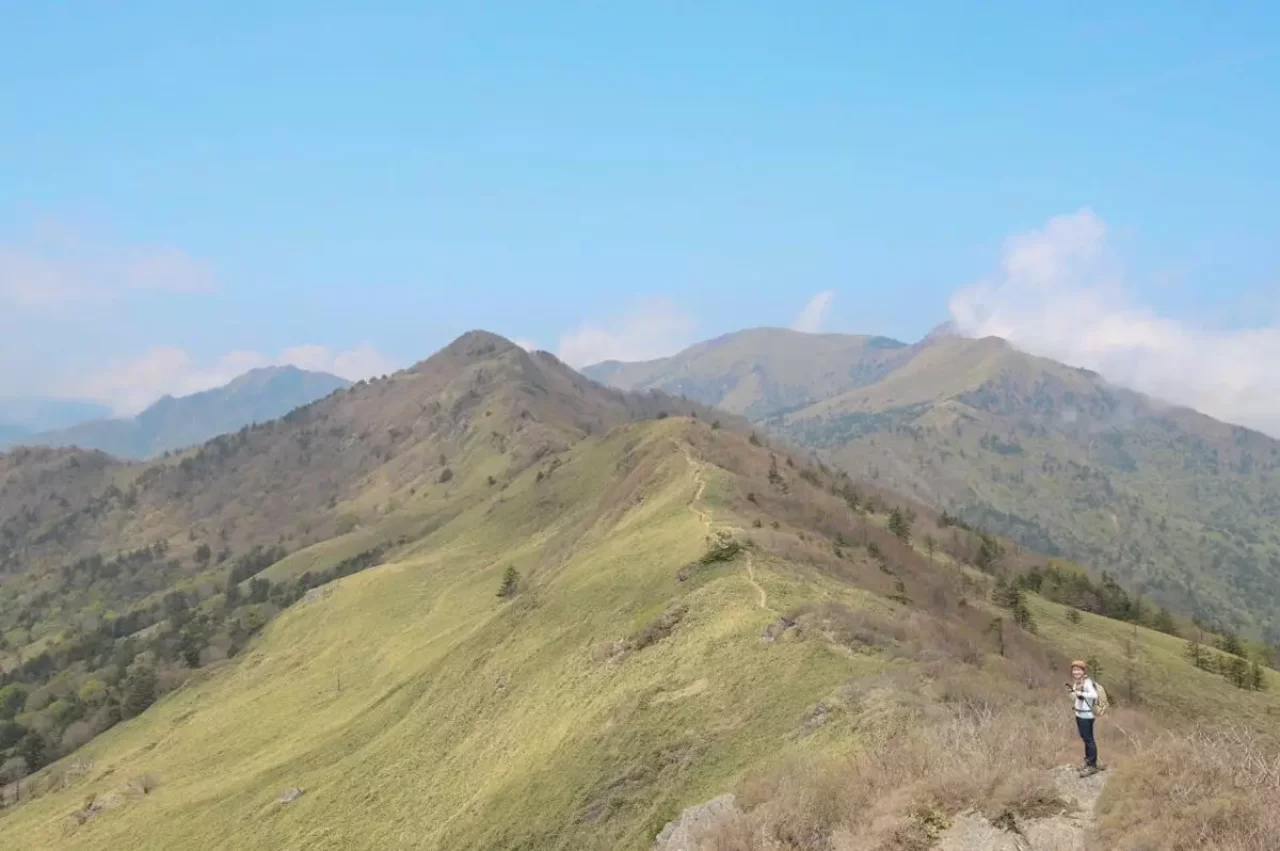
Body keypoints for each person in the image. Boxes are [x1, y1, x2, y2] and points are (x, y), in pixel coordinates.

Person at [1068, 659, 1100, 776]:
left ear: (1083, 671)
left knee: (1089, 739)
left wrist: (1081, 694)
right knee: (1086, 739)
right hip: (1079, 713)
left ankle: (1092, 765)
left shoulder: (1087, 682)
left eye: (1078, 670)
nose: (1076, 672)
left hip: (1087, 715)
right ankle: (1088, 761)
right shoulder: (1078, 682)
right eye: (1074, 670)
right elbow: (1077, 699)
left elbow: (1094, 695)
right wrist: (1072, 694)